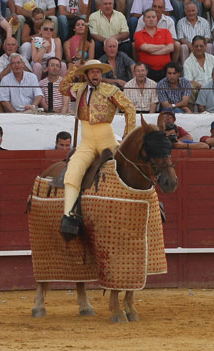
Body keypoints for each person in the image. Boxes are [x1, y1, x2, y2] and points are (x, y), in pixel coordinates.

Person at [58, 59, 136, 239]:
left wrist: (127, 137)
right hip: (86, 142)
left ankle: (149, 202)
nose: (96, 75)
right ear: (86, 75)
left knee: (127, 166)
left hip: (106, 140)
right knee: (73, 171)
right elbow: (63, 87)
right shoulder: (78, 89)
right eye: (92, 72)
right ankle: (68, 217)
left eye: (98, 72)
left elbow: (130, 108)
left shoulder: (110, 90)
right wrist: (73, 69)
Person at [135, 0, 180, 64]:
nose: (156, 9)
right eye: (154, 6)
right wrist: (164, 46)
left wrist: (153, 51)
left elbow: (173, 40)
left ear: (164, 9)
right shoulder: (143, 18)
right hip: (148, 43)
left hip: (162, 43)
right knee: (134, 44)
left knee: (177, 45)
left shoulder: (169, 21)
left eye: (159, 7)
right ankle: (138, 66)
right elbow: (138, 39)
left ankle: (173, 66)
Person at [134, 7, 174, 82]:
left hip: (165, 69)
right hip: (147, 71)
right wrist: (163, 46)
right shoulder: (138, 34)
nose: (151, 19)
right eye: (148, 17)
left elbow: (171, 47)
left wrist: (152, 51)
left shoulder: (166, 32)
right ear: (143, 19)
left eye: (153, 17)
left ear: (157, 19)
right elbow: (146, 48)